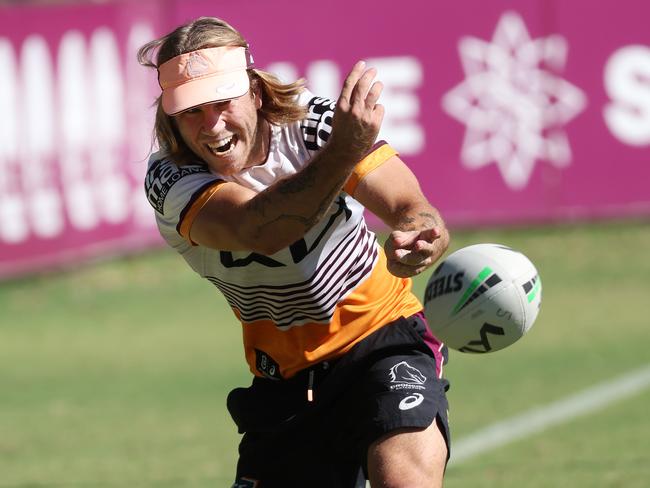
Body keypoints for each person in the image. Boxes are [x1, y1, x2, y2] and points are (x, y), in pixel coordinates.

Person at [138, 16, 451, 488]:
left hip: (384, 340)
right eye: (190, 111)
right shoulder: (171, 180)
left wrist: (419, 234)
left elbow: (413, 207)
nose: (211, 126)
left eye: (223, 102)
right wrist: (342, 154)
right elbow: (260, 229)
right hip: (285, 383)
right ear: (170, 118)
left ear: (256, 93)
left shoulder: (314, 125)